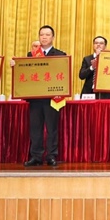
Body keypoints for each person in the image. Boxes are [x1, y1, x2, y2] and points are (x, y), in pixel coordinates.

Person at [11, 25, 66, 167]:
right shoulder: (31, 55)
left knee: (52, 128)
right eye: (42, 35)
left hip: (52, 98)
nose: (44, 37)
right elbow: (26, 74)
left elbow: (63, 75)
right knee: (35, 128)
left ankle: (51, 156)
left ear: (53, 37)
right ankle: (36, 156)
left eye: (47, 35)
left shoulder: (60, 54)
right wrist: (16, 66)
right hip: (35, 98)